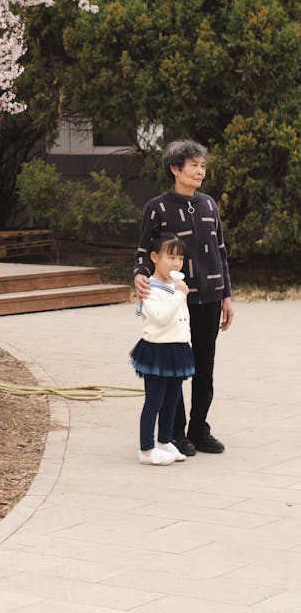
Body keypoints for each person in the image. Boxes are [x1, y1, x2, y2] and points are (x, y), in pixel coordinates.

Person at [134, 139, 234, 456]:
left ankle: (199, 429)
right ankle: (174, 432)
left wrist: (227, 295)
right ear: (175, 169)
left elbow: (221, 252)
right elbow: (142, 252)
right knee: (176, 367)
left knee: (205, 367)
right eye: (194, 165)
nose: (200, 171)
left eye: (203, 166)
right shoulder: (158, 207)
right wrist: (139, 274)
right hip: (174, 300)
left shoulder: (208, 205)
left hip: (211, 298)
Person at [130, 229, 195, 465]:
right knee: (154, 401)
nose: (176, 263)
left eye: (180, 258)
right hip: (158, 350)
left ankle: (165, 441)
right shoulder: (149, 287)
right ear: (155, 257)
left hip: (177, 348)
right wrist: (179, 296)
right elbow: (160, 317)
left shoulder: (176, 285)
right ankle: (146, 450)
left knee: (172, 400)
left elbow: (181, 318)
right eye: (171, 257)